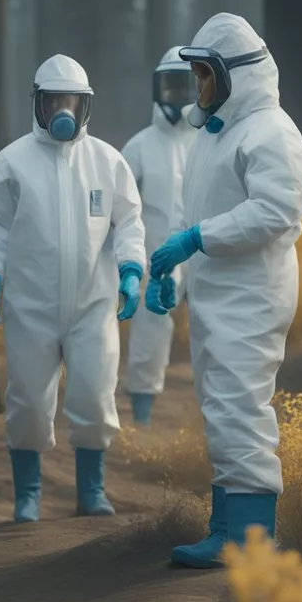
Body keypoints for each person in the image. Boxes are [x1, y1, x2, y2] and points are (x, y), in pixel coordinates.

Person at [146, 13, 302, 568]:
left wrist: (194, 241)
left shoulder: (270, 130)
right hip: (222, 293)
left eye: (204, 76)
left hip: (253, 293)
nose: (198, 88)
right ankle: (228, 526)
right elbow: (202, 211)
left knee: (240, 406)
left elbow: (277, 211)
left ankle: (250, 538)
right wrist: (177, 273)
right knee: (222, 407)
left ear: (234, 75)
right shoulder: (219, 134)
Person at [0, 54, 147, 523]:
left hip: (94, 304)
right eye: (54, 101)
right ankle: (27, 494)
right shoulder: (12, 162)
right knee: (28, 400)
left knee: (93, 395)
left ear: (85, 105)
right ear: (39, 104)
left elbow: (129, 220)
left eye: (71, 101)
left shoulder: (107, 161)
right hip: (30, 306)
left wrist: (131, 268)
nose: (62, 110)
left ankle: (92, 490)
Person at [121, 46, 199, 426]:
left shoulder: (210, 141)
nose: (176, 98)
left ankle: (208, 423)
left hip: (205, 258)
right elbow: (118, 208)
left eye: (185, 88)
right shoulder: (138, 147)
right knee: (148, 337)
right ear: (156, 89)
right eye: (169, 88)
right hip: (155, 259)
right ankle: (142, 421)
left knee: (215, 336)